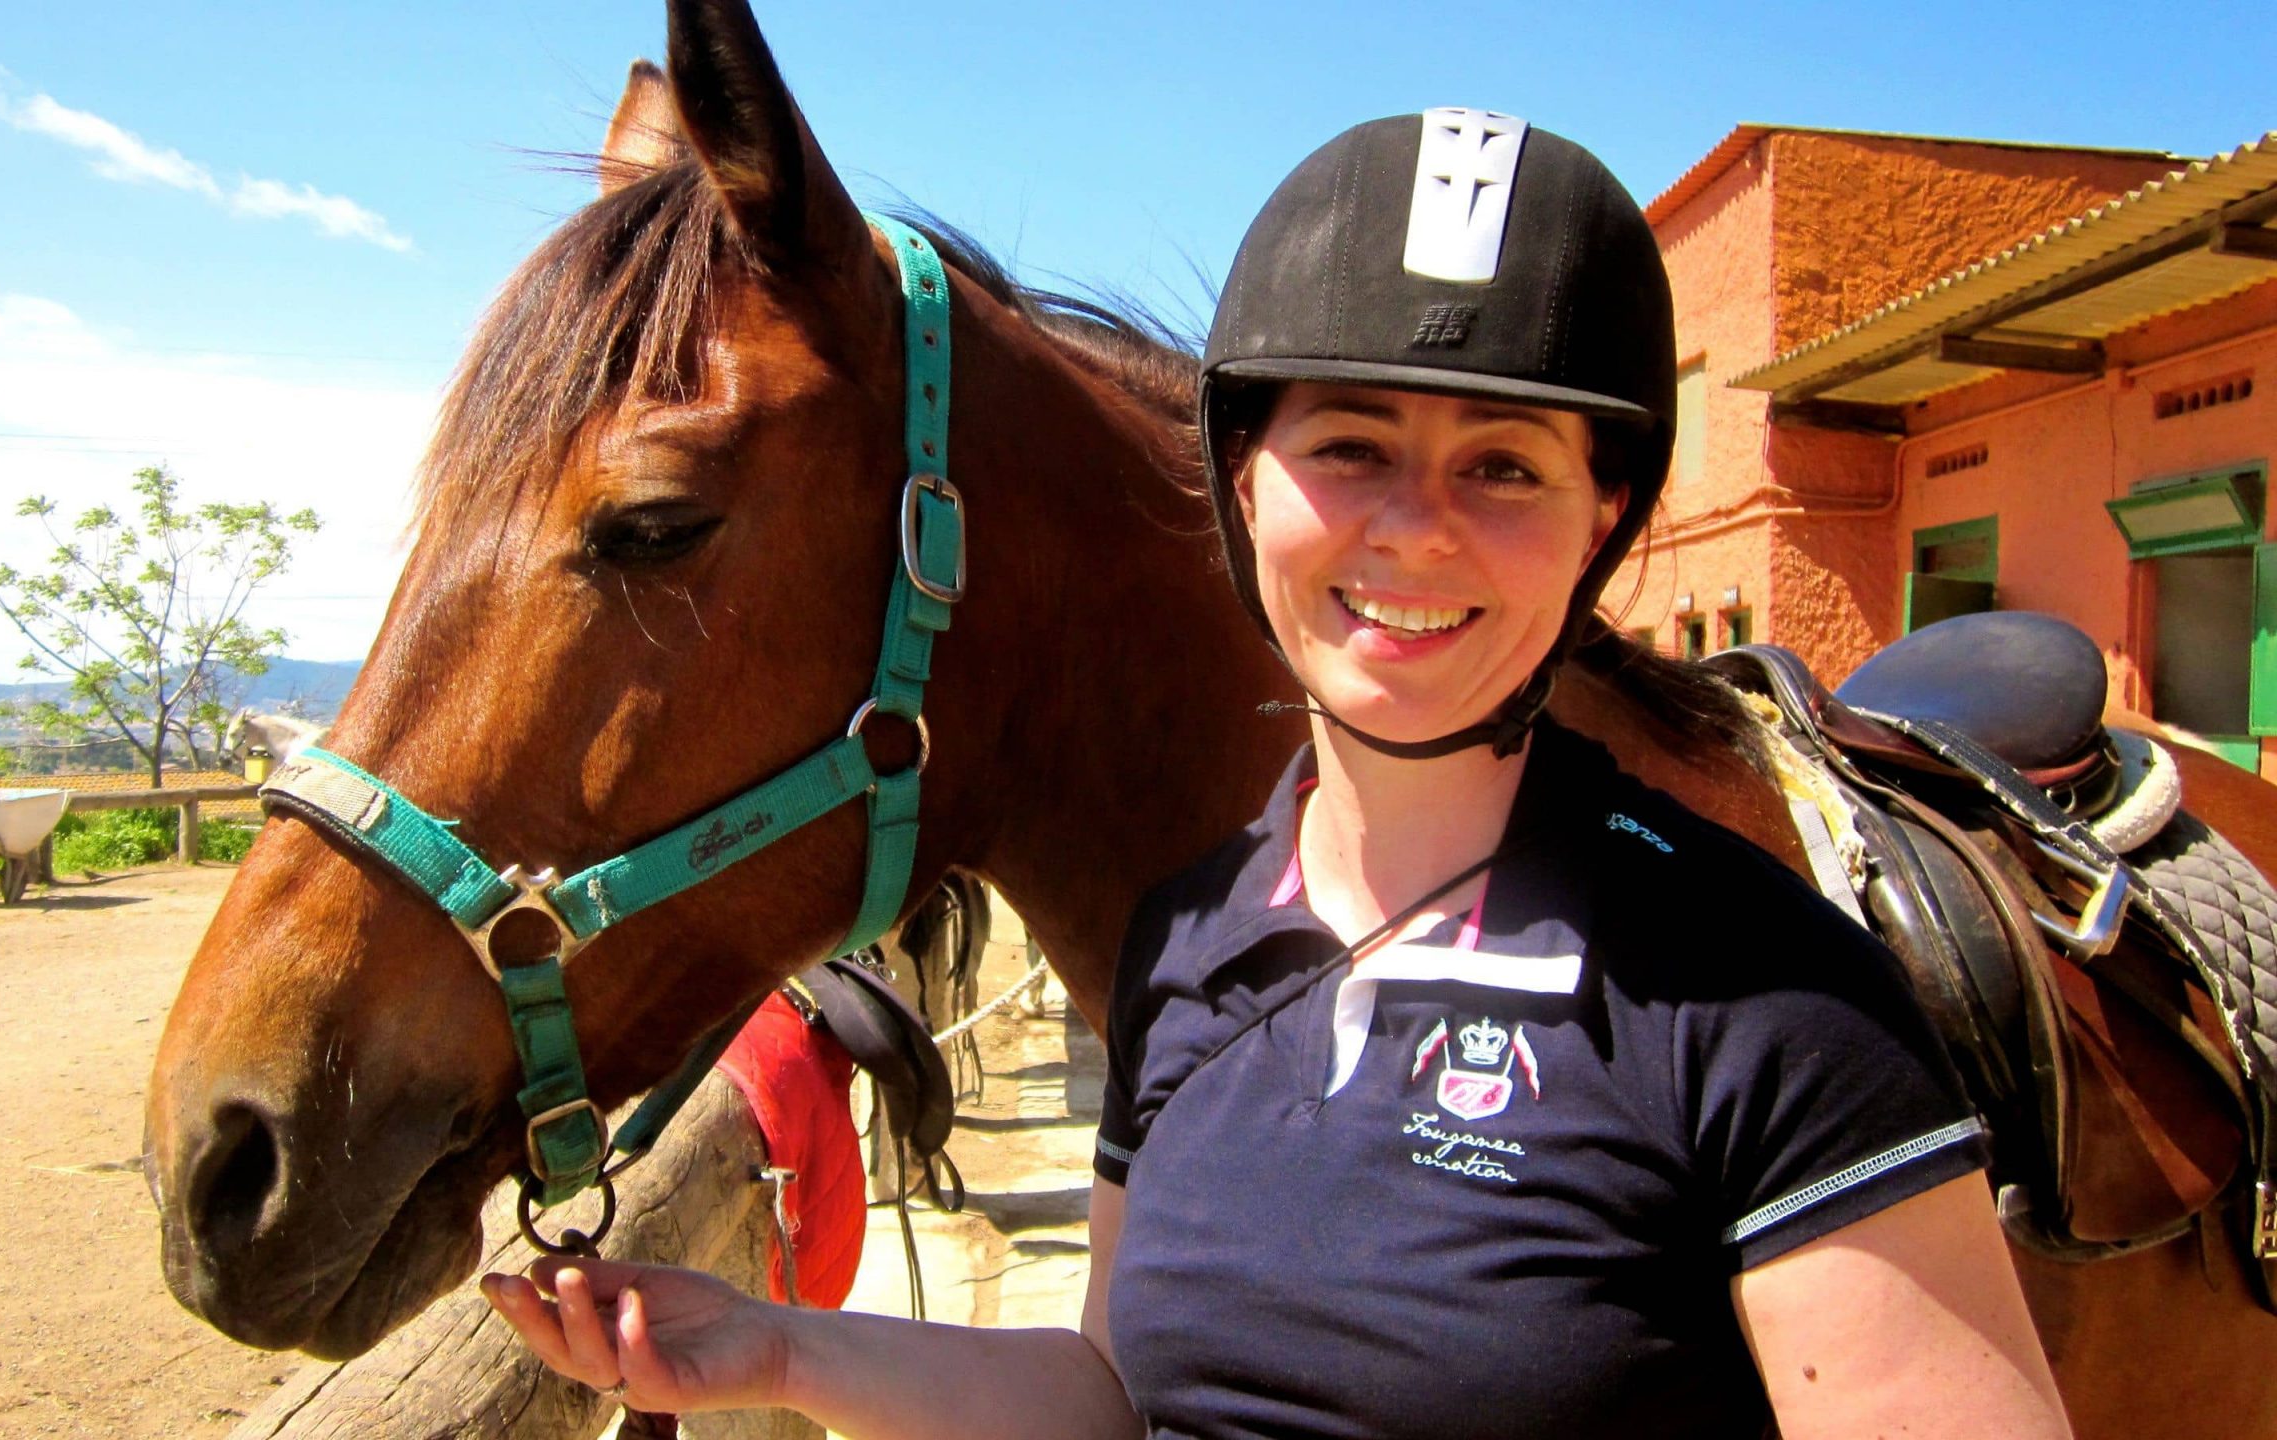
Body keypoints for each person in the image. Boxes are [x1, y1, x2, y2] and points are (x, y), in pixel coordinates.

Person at [483, 108, 2072, 1440]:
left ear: (1603, 523)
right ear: (1245, 487)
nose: (1414, 527)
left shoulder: (1771, 1000)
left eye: (1506, 466)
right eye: (1350, 446)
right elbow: (1119, 1394)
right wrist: (776, 1350)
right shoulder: (1188, 943)